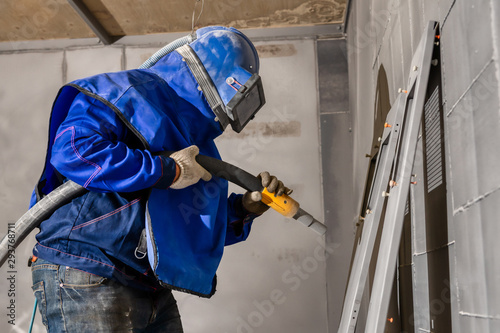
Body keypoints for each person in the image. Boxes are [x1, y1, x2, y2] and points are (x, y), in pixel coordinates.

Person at [29, 26, 290, 332]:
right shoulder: (125, 92)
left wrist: (246, 209)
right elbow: (74, 151)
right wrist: (168, 171)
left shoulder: (198, 143)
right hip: (87, 267)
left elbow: (190, 225)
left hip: (147, 283)